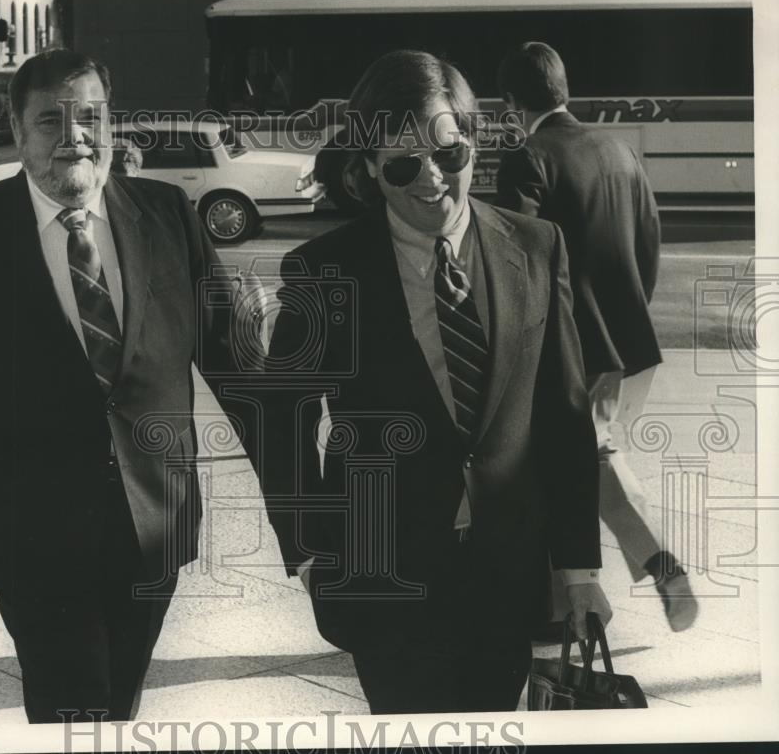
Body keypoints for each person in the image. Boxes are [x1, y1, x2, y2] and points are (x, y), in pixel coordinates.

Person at [0, 49, 254, 723]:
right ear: (18, 133)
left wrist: (301, 508)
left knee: (120, 698)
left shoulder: (167, 214)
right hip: (30, 528)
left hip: (153, 521)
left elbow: (236, 364)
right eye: (50, 119)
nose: (74, 134)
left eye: (89, 115)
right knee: (69, 703)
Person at [255, 50, 610, 715]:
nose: (431, 180)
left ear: (474, 143)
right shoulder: (324, 271)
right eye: (401, 164)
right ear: (367, 169)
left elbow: (564, 417)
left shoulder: (538, 248)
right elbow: (285, 424)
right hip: (383, 580)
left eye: (448, 155)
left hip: (508, 574)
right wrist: (311, 558)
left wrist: (580, 567)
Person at [495, 41, 697, 633]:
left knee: (583, 461)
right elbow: (649, 242)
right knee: (582, 457)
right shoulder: (619, 150)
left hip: (572, 346)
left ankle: (653, 562)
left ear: (511, 103)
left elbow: (520, 262)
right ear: (563, 88)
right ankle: (566, 604)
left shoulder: (528, 159)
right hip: (630, 343)